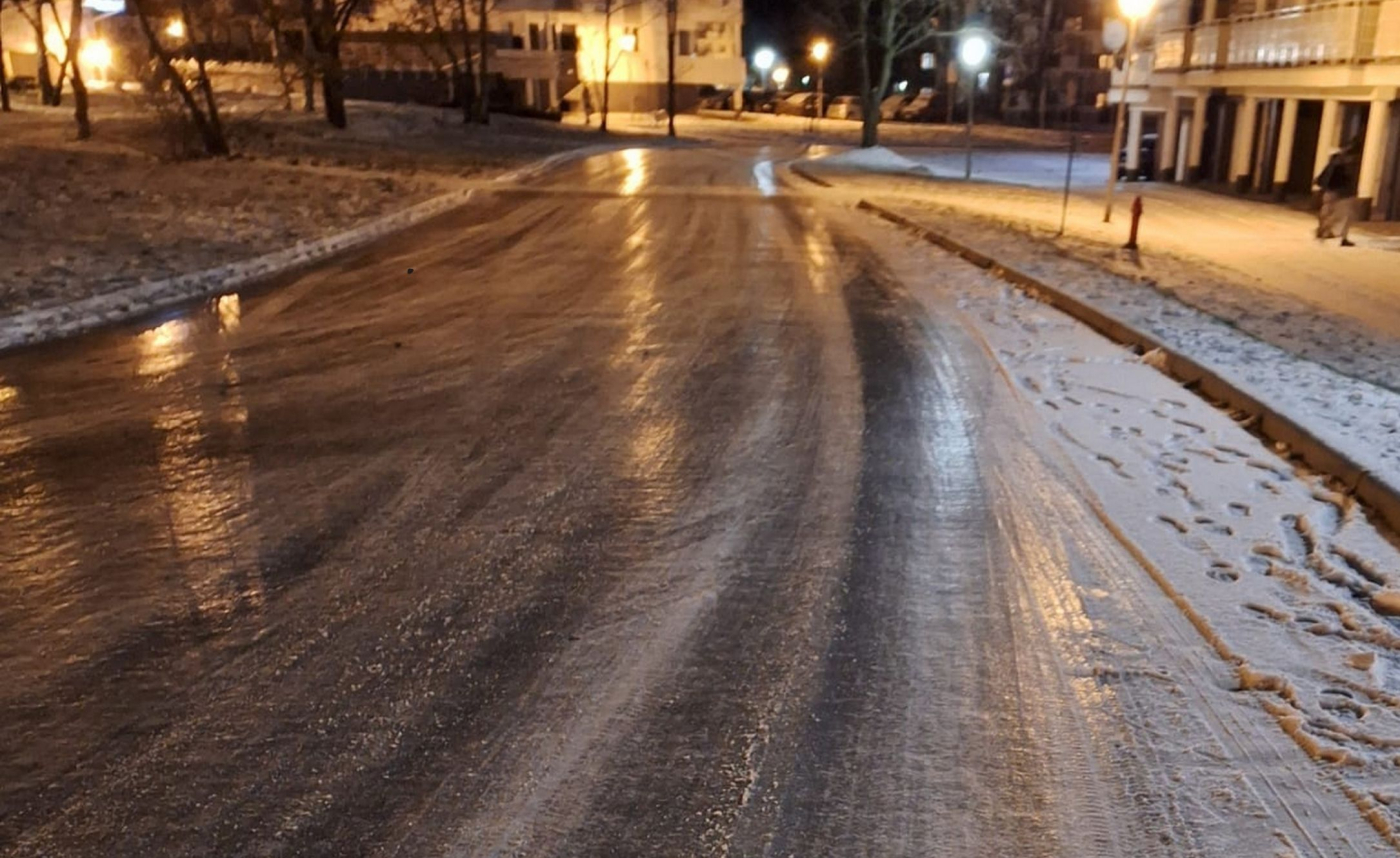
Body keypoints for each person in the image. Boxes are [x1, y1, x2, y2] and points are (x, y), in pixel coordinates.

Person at [1315, 141, 1361, 247]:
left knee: (1328, 212)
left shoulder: (1332, 165)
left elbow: (1322, 179)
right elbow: (1346, 180)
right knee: (1343, 215)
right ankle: (1335, 234)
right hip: (1341, 193)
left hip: (1330, 191)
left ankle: (1324, 231)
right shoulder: (1343, 166)